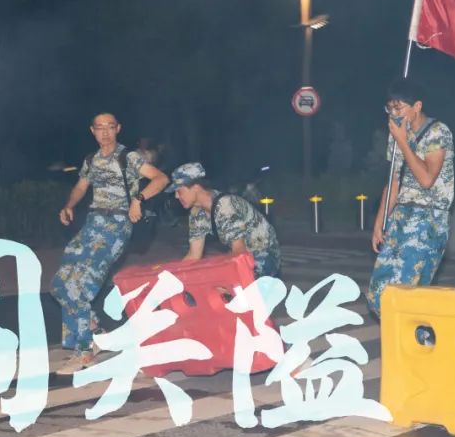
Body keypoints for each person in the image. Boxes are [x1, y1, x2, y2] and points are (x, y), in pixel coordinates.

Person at [52, 112, 169, 375]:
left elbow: (161, 178)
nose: (105, 132)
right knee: (60, 285)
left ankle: (83, 353)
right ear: (92, 131)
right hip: (92, 224)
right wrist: (69, 205)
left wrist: (139, 198)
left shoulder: (128, 157)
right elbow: (82, 187)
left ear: (118, 129)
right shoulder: (91, 160)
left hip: (116, 226)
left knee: (79, 288)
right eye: (100, 128)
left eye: (110, 127)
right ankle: (96, 333)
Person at [367, 78, 455, 317]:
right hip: (400, 216)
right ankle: (418, 337)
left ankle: (420, 341)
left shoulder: (438, 132)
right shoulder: (396, 136)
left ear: (416, 106)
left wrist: (403, 142)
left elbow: (427, 179)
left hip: (428, 218)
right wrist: (379, 224)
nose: (394, 114)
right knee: (379, 294)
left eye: (399, 108)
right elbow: (393, 181)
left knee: (408, 292)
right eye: (390, 108)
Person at [168, 162, 282, 277]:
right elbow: (193, 255)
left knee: (220, 282)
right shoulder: (196, 213)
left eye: (179, 191)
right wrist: (174, 277)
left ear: (196, 188)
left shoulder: (225, 206)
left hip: (264, 255)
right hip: (244, 256)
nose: (176, 196)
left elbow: (239, 252)